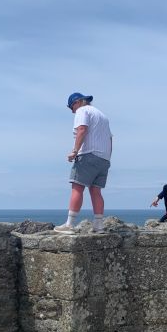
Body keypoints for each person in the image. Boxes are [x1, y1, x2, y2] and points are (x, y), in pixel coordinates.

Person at [54, 92, 113, 234]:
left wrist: (74, 151)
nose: (72, 111)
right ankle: (99, 226)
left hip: (88, 154)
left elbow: (82, 129)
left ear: (78, 102)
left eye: (71, 107)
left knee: (77, 187)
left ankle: (69, 224)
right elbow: (110, 139)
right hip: (104, 159)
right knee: (96, 191)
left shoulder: (82, 111)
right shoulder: (102, 116)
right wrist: (107, 158)